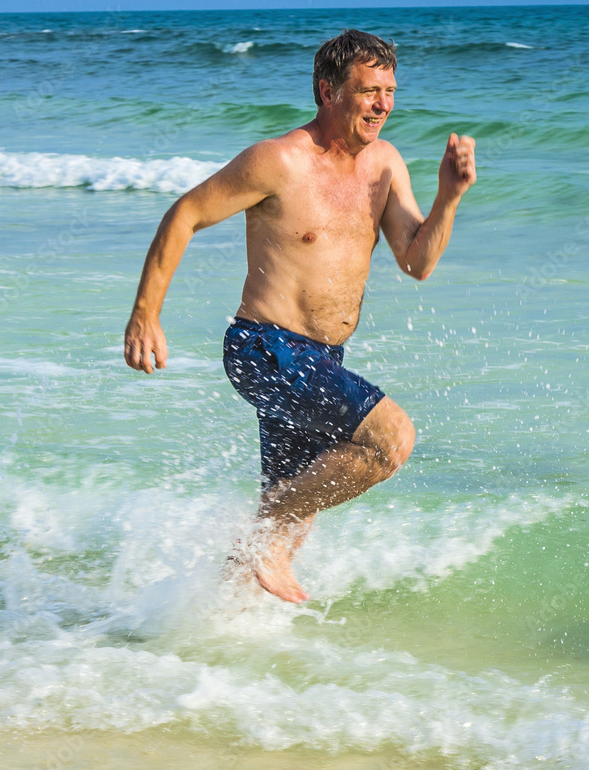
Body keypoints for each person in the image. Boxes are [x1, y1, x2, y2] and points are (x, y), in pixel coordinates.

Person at [124, 29, 476, 603]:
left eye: (389, 90)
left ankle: (198, 634)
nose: (383, 104)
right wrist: (146, 315)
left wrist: (449, 197)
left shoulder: (384, 165)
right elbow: (184, 214)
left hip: (323, 356)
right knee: (391, 441)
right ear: (328, 90)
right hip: (264, 347)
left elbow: (417, 263)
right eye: (368, 91)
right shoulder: (278, 162)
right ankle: (258, 534)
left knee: (297, 516)